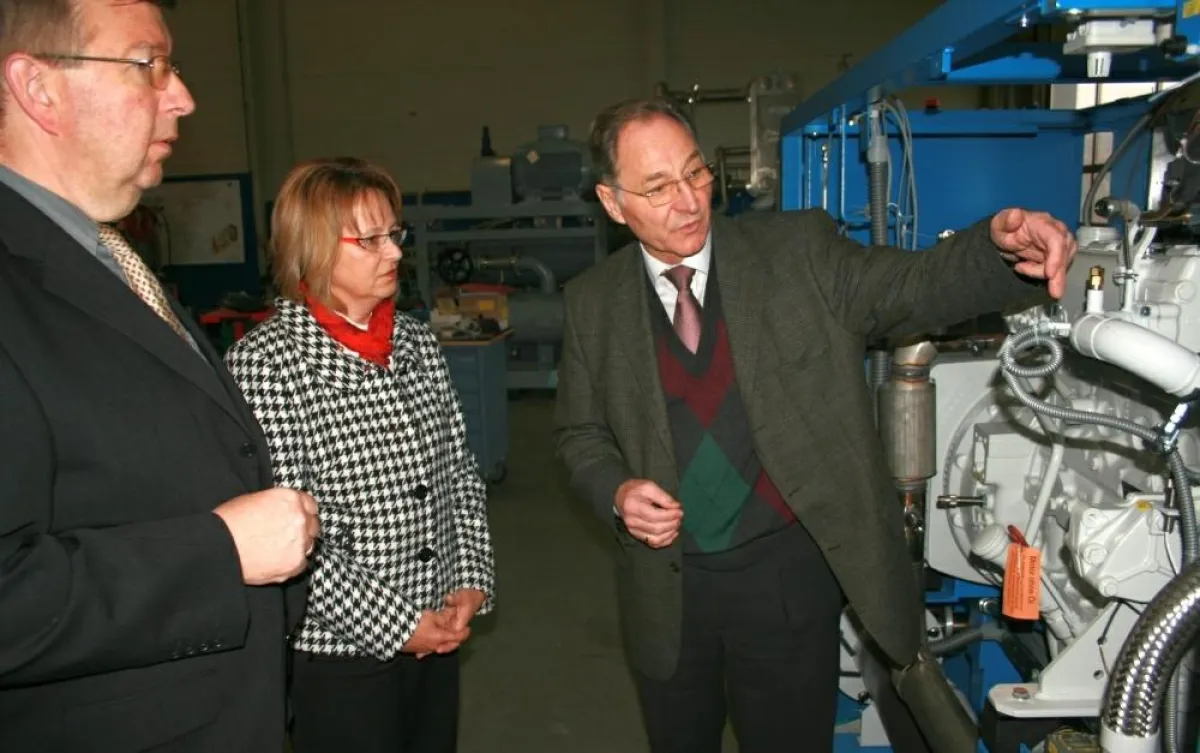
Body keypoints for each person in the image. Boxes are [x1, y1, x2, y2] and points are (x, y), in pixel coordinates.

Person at [554, 96, 1078, 753]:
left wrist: (998, 253)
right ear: (612, 200)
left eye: (696, 173)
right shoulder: (592, 303)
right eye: (658, 188)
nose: (688, 201)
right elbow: (579, 434)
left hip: (785, 582)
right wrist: (617, 491)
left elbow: (912, 285)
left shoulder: (796, 252)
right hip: (668, 592)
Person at [0, 1, 320, 752]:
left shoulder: (104, 255)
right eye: (148, 64)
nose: (182, 96)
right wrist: (220, 551)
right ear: (37, 88)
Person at [225, 156, 496, 753]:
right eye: (369, 240)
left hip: (439, 624)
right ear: (315, 249)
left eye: (392, 235)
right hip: (341, 650)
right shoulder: (268, 365)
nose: (394, 253)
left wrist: (470, 580)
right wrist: (399, 625)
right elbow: (290, 538)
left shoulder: (416, 340)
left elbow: (459, 471)